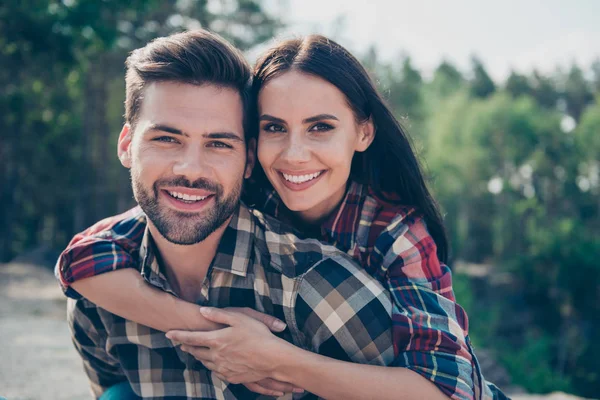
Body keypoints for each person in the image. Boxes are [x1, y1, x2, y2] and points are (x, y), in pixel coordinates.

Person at [57, 33, 507, 400]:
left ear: (363, 131)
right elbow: (79, 261)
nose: (294, 155)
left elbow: (453, 390)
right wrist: (213, 329)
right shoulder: (246, 194)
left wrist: (277, 359)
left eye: (321, 127)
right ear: (254, 148)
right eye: (274, 128)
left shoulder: (389, 230)